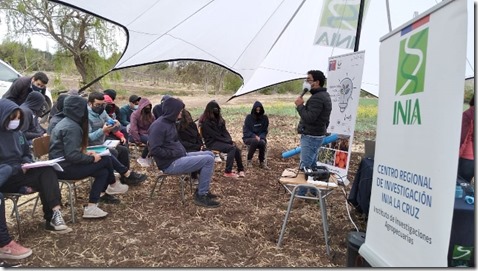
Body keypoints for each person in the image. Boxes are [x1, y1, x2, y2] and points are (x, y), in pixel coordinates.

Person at [0, 99, 69, 234]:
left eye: (19, 118)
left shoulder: (18, 133)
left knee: (47, 171)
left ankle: (54, 215)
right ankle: (50, 216)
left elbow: (26, 152)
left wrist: (27, 163)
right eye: (13, 118)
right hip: (6, 178)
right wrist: (18, 168)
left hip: (21, 172)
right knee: (44, 181)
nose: (16, 121)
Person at [49, 95, 122, 217]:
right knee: (106, 159)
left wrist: (86, 153)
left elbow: (72, 150)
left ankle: (92, 207)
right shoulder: (71, 127)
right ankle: (114, 183)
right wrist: (92, 158)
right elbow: (72, 155)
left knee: (103, 171)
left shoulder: (69, 122)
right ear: (79, 110)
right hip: (64, 169)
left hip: (65, 164)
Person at [149, 97, 220, 208]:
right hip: (170, 163)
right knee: (208, 160)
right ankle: (202, 195)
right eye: (180, 111)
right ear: (173, 110)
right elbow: (155, 150)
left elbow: (173, 143)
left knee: (210, 154)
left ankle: (201, 190)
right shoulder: (158, 126)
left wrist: (179, 152)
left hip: (179, 156)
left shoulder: (170, 123)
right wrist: (174, 153)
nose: (181, 114)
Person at [87, 92, 146, 186]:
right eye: (97, 105)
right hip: (91, 147)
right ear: (90, 104)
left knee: (123, 150)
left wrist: (116, 124)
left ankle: (125, 178)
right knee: (112, 153)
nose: (101, 107)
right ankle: (116, 180)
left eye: (103, 104)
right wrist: (102, 130)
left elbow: (111, 123)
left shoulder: (102, 111)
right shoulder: (86, 116)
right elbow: (89, 137)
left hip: (102, 143)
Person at [295, 70, 332, 199]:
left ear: (316, 82)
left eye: (309, 79)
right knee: (312, 164)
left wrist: (300, 106)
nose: (306, 82)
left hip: (311, 136)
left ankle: (301, 195)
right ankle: (315, 192)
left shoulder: (317, 98)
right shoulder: (323, 96)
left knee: (305, 166)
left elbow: (310, 118)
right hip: (317, 135)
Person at [201, 100, 245, 178]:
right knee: (231, 148)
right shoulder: (206, 123)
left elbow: (225, 132)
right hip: (212, 143)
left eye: (217, 109)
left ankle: (240, 169)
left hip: (221, 141)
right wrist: (227, 142)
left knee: (236, 148)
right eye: (214, 109)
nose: (216, 111)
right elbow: (215, 135)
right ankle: (228, 172)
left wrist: (229, 140)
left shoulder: (219, 120)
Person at [242, 101, 269, 169]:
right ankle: (249, 159)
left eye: (259, 109)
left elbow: (265, 131)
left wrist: (260, 137)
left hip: (260, 137)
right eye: (257, 109)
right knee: (255, 141)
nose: (258, 111)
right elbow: (246, 130)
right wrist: (254, 136)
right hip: (249, 138)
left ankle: (261, 161)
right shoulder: (249, 118)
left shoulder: (264, 118)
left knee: (262, 143)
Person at [129, 97, 155, 167]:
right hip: (135, 135)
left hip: (147, 134)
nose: (147, 108)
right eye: (146, 107)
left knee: (157, 139)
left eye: (149, 107)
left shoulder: (150, 115)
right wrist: (137, 140)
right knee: (151, 141)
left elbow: (154, 125)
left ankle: (150, 156)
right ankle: (143, 157)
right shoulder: (135, 115)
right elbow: (133, 129)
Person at [458, 94, 474, 183]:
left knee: (461, 186)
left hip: (466, 159)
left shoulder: (468, 114)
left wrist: (456, 157)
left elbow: (463, 138)